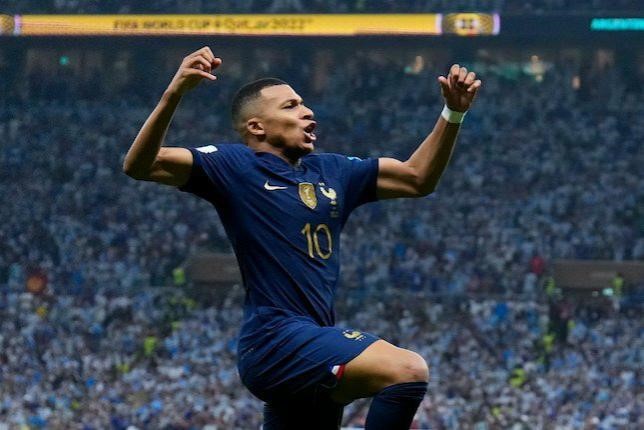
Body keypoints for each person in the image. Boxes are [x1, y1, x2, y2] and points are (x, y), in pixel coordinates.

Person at [123, 46, 481, 429]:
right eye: (291, 106)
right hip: (275, 341)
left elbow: (416, 178)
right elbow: (141, 164)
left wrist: (453, 113)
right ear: (257, 127)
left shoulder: (333, 171)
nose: (307, 112)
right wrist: (173, 94)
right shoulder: (234, 165)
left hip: (311, 344)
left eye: (304, 104)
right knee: (407, 369)